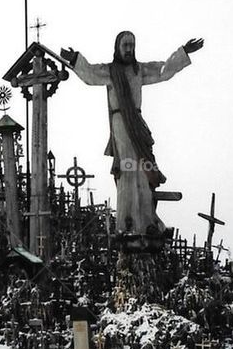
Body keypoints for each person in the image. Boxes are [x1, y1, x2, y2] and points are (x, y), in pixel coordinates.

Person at [61, 32, 204, 236]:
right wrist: (75, 58)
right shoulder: (110, 71)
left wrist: (183, 52)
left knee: (142, 171)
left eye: (132, 45)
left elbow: (163, 70)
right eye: (125, 45)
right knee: (128, 169)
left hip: (136, 124)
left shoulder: (140, 70)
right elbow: (91, 75)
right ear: (117, 47)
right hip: (121, 124)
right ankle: (127, 220)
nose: (129, 49)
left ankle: (146, 221)